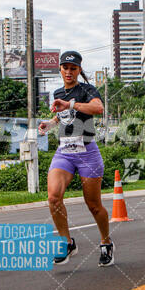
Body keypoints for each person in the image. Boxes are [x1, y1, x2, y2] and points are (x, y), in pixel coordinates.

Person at [38, 50, 114, 267]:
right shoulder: (58, 92)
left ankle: (106, 242)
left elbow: (98, 108)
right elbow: (61, 115)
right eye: (65, 68)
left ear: (79, 70)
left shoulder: (87, 90)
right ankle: (67, 242)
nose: (69, 72)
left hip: (87, 152)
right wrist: (50, 124)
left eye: (73, 68)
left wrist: (70, 104)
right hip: (64, 152)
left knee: (93, 205)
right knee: (53, 197)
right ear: (60, 69)